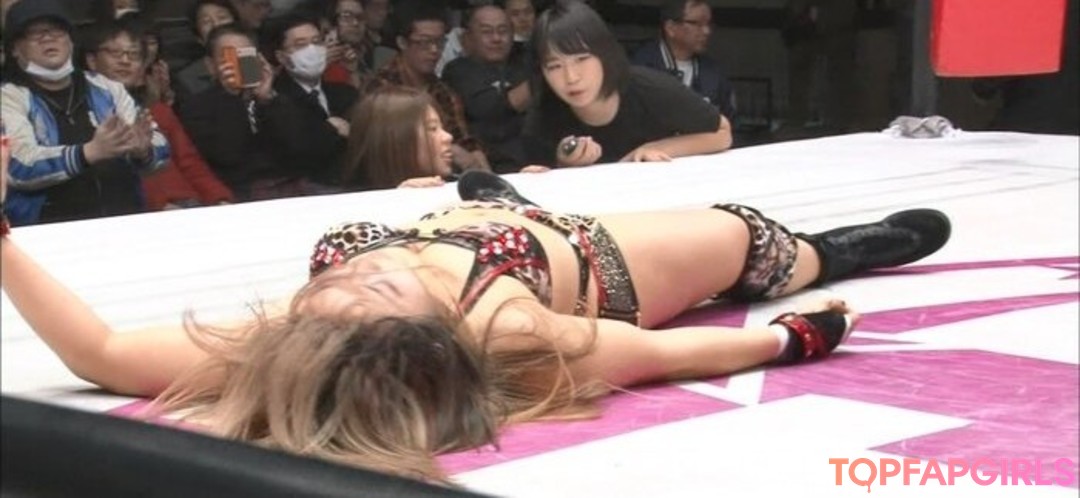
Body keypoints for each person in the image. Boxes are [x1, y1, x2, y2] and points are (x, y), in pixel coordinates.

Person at [0, 114, 953, 482]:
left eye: (334, 285)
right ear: (426, 329)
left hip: (474, 224)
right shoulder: (511, 328)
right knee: (746, 237)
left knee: (468, 211)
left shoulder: (295, 332)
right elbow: (674, 352)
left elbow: (99, 354)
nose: (346, 274)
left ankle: (501, 202)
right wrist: (798, 335)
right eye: (372, 283)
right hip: (585, 266)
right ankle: (831, 251)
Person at [0, 0, 169, 225]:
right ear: (15, 49)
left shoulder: (107, 88)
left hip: (125, 219)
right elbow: (17, 168)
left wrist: (144, 150)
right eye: (35, 33)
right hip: (48, 228)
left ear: (71, 41)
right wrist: (88, 152)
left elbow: (161, 147)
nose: (48, 38)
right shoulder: (8, 97)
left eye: (57, 31)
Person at [523, 0, 732, 168]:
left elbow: (722, 132)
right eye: (555, 66)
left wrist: (656, 148)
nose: (571, 77)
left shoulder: (649, 88)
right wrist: (563, 165)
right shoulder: (543, 112)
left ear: (604, 53)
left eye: (582, 59)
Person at [83, 21, 233, 210]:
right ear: (92, 61)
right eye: (115, 53)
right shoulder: (80, 116)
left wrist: (219, 199)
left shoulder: (158, 111)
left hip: (190, 205)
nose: (125, 61)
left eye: (134, 55)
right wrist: (160, 206)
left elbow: (190, 163)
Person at [364, 2, 491, 173]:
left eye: (439, 42)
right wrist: (451, 149)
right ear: (402, 42)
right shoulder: (380, 88)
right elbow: (382, 145)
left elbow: (463, 138)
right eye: (424, 42)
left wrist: (476, 156)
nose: (434, 50)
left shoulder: (443, 91)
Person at [442, 4, 531, 173]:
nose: (496, 38)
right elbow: (489, 108)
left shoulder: (526, 61)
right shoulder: (458, 70)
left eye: (503, 31)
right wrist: (541, 78)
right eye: (486, 32)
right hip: (492, 167)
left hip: (540, 163)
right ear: (468, 37)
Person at [631, 0, 736, 121]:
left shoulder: (714, 73)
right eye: (696, 23)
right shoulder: (639, 68)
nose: (706, 31)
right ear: (670, 28)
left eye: (708, 24)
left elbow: (729, 120)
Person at [341, 86, 456, 190]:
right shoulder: (350, 203)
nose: (448, 137)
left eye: (442, 128)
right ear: (395, 139)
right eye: (432, 128)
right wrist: (399, 199)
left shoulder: (458, 188)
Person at [173, 0, 241, 107]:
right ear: (199, 38)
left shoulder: (257, 61)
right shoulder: (187, 79)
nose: (216, 25)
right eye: (206, 22)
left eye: (222, 17)